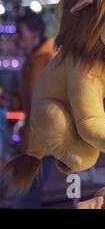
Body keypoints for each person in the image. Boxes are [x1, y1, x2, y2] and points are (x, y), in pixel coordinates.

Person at [13, 14, 56, 209]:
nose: (17, 38)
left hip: (44, 145)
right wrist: (11, 100)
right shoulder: (29, 62)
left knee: (27, 197)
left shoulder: (50, 59)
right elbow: (26, 104)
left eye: (20, 33)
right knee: (26, 196)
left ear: (35, 35)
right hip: (29, 142)